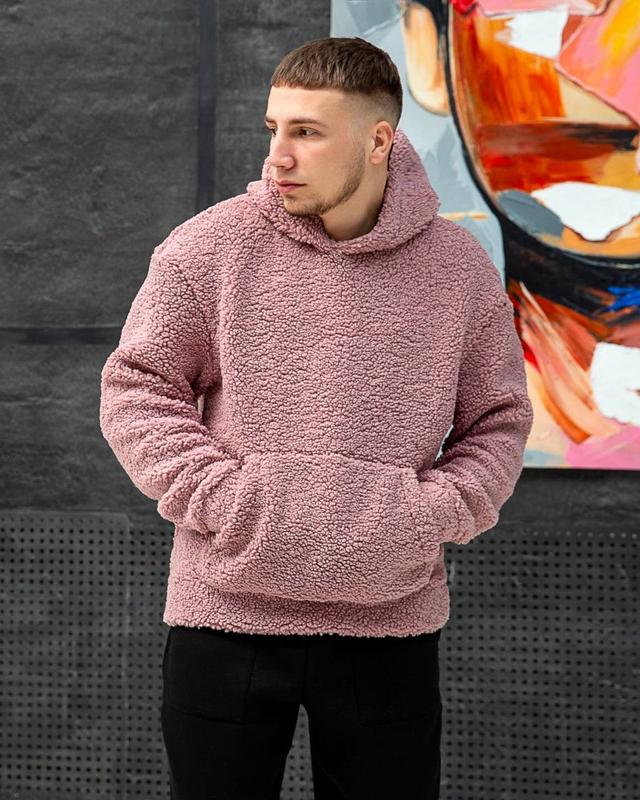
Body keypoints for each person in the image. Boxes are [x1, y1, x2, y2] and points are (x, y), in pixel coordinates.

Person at [99, 36, 533, 800]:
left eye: (307, 132)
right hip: (223, 617)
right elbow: (138, 387)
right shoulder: (209, 247)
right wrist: (226, 501)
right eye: (274, 128)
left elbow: (498, 421)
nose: (279, 156)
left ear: (378, 140)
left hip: (387, 624)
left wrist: (427, 514)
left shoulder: (459, 270)